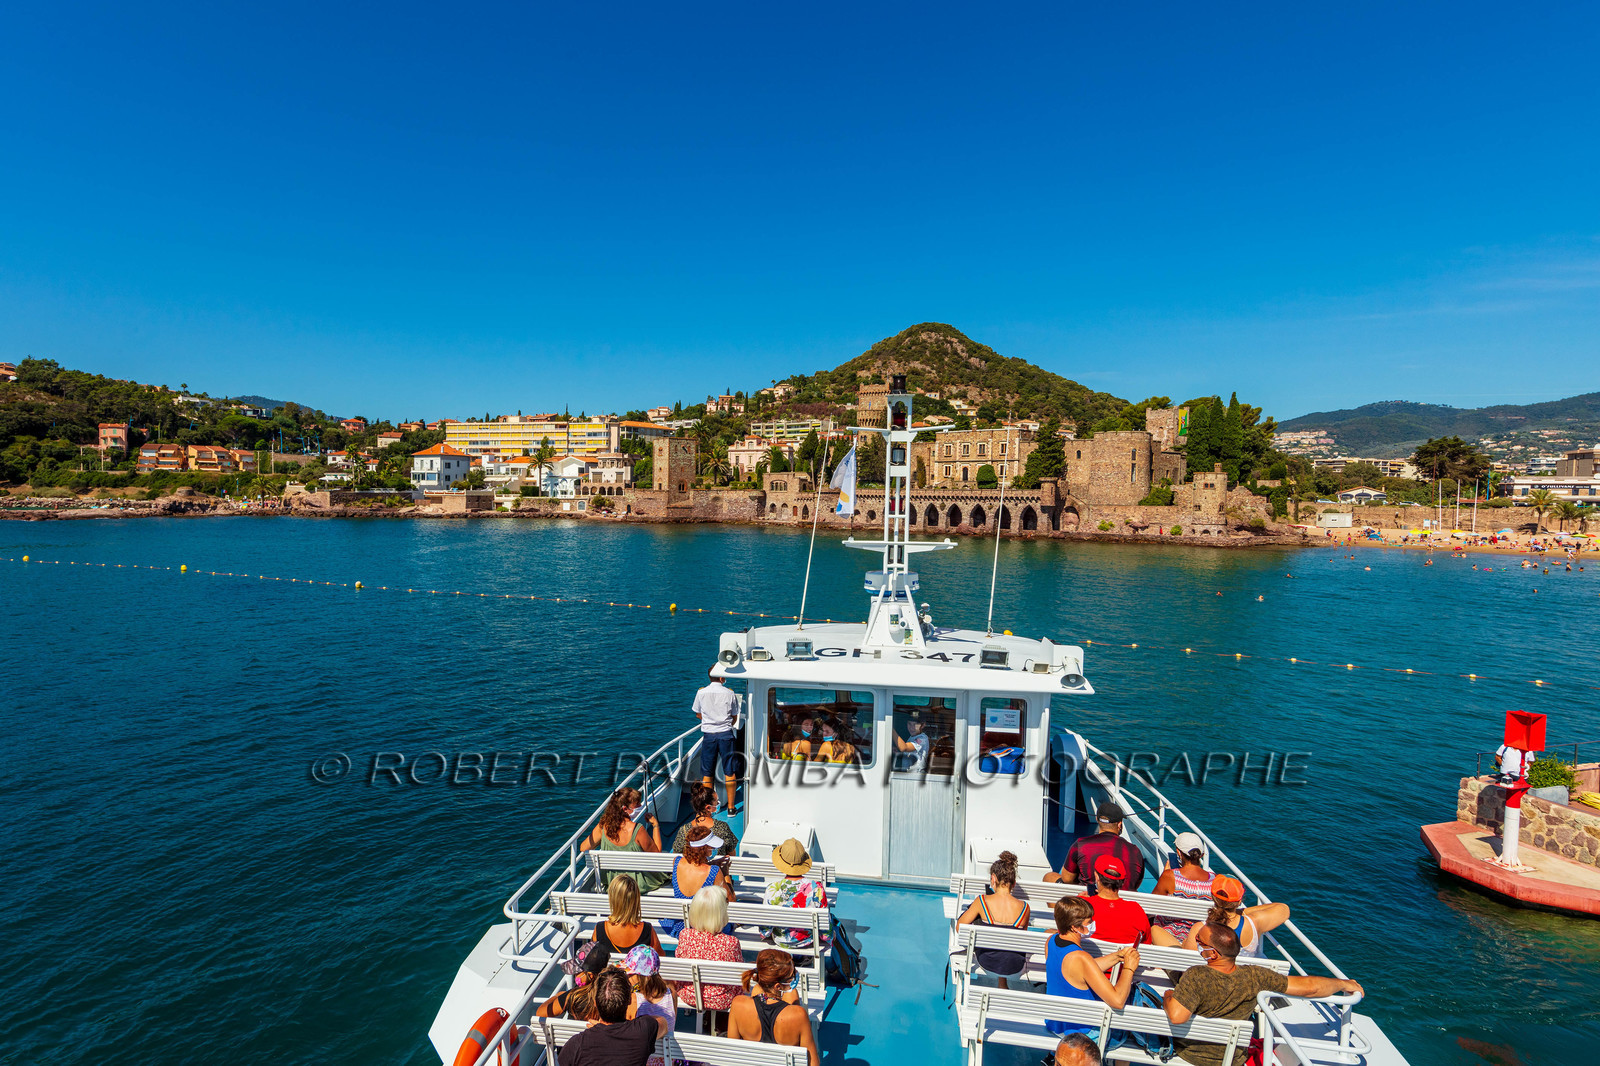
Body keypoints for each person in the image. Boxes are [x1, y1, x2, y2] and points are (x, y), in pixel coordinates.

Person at [1163, 923, 1361, 1066]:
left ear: (1212, 953)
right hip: (1231, 1059)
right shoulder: (1255, 976)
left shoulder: (1196, 975)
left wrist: (1169, 996)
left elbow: (1177, 1016)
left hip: (1191, 1055)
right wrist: (1343, 983)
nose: (1196, 941)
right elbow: (1310, 986)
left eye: (1199, 940)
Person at [1044, 896, 1140, 1038]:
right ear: (1075, 927)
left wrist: (1117, 956)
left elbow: (1081, 971)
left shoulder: (1051, 941)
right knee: (1131, 1025)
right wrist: (1129, 969)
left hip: (1056, 1024)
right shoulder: (1081, 958)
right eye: (1089, 922)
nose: (1093, 924)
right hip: (1082, 1033)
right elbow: (1118, 1002)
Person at [557, 967, 670, 1066]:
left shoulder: (576, 1045)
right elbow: (663, 1023)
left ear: (595, 1003)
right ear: (629, 1000)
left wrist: (602, 1029)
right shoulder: (643, 1029)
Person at [726, 949, 822, 1066]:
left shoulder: (738, 1004)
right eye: (791, 977)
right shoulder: (798, 1015)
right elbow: (813, 1063)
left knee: (759, 991)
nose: (794, 978)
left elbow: (732, 1054)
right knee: (791, 993)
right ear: (777, 986)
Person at [955, 850, 1031, 988]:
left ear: (993, 879)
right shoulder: (1025, 908)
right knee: (1007, 945)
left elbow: (960, 927)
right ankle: (1003, 984)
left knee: (980, 922)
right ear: (1013, 883)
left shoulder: (982, 901)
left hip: (988, 963)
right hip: (1015, 967)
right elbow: (1020, 940)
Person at [671, 886, 744, 1021]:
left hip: (689, 994)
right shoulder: (730, 942)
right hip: (721, 999)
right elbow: (739, 974)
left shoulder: (685, 935)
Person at [579, 787, 668, 893]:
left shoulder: (603, 826)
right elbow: (657, 856)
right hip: (637, 884)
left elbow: (583, 847)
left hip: (614, 882)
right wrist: (655, 825)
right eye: (637, 804)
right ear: (625, 809)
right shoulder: (637, 829)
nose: (641, 806)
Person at [1179, 876, 1289, 960]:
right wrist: (1241, 912)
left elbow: (1189, 964)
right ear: (1240, 901)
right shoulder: (1254, 923)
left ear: (1213, 897)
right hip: (1242, 982)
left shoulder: (1199, 928)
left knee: (1181, 942)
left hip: (1208, 983)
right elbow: (1283, 909)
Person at [1045, 802, 1146, 888]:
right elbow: (1136, 884)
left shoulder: (1081, 844)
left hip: (1088, 904)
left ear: (1097, 820)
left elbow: (1067, 879)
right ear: (1119, 824)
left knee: (1049, 877)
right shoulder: (1135, 851)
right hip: (1123, 903)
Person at [660, 833, 736, 938]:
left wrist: (711, 864)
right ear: (704, 849)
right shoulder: (714, 871)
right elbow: (732, 901)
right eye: (711, 847)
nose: (714, 849)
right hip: (706, 925)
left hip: (680, 924)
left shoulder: (676, 862)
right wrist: (725, 873)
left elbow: (694, 869)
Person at [584, 875, 661, 976]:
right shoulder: (647, 929)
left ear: (613, 899)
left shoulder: (600, 929)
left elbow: (593, 962)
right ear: (636, 900)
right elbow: (659, 958)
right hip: (636, 987)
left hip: (609, 986)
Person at [765, 838, 830, 951]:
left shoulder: (771, 889)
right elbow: (825, 933)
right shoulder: (817, 888)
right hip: (808, 941)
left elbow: (764, 930)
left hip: (780, 940)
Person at [1150, 832, 1214, 946]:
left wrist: (1165, 873)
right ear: (1202, 855)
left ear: (1179, 853)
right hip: (1199, 938)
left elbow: (1152, 904)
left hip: (1169, 935)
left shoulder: (1170, 876)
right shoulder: (1214, 880)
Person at [692, 668, 742, 814]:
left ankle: (708, 808)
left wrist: (709, 720)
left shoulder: (701, 692)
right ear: (721, 677)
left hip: (709, 735)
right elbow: (734, 716)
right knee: (729, 771)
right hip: (726, 735)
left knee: (707, 773)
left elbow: (698, 714)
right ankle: (731, 808)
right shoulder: (729, 693)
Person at [1084, 854, 1151, 946]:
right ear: (1122, 882)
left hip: (1088, 958)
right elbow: (1146, 942)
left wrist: (1080, 900)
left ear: (1097, 877)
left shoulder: (1081, 905)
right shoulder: (1136, 910)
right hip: (1125, 959)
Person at [670, 783, 739, 859]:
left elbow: (676, 856)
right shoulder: (722, 827)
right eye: (716, 802)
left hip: (694, 869)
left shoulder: (683, 830)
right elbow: (732, 855)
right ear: (708, 808)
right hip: (717, 868)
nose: (718, 804)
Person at [622, 945, 677, 1024]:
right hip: (666, 1036)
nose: (627, 976)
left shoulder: (633, 1000)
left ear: (641, 976)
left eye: (630, 973)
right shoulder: (671, 994)